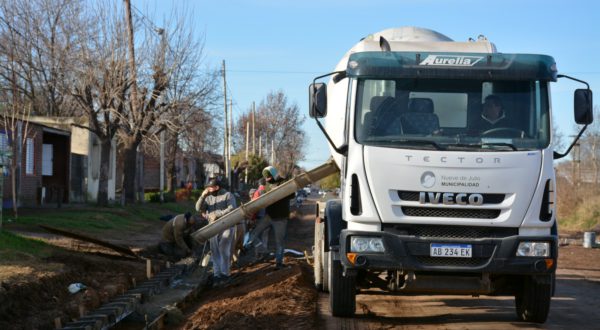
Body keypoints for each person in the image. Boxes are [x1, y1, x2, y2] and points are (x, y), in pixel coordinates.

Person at [245, 166, 293, 270]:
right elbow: (260, 198)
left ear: (274, 174)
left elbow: (292, 195)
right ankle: (253, 249)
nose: (267, 180)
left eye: (269, 177)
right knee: (253, 233)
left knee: (279, 242)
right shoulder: (266, 185)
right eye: (265, 178)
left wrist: (280, 192)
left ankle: (279, 263)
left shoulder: (284, 182)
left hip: (280, 218)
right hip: (269, 215)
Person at [195, 177, 237, 286]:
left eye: (210, 188)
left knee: (224, 250)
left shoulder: (228, 195)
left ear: (217, 187)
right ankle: (217, 275)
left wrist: (217, 214)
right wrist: (202, 196)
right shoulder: (208, 198)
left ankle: (225, 274)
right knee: (215, 252)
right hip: (213, 228)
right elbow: (198, 208)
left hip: (226, 226)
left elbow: (232, 208)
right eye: (207, 188)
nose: (208, 190)